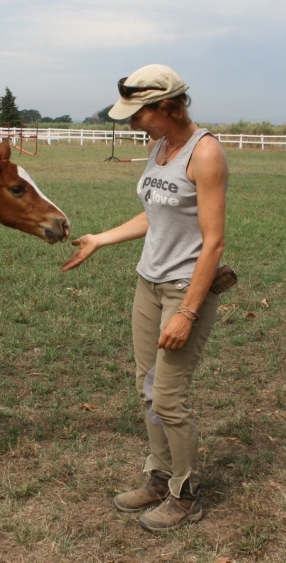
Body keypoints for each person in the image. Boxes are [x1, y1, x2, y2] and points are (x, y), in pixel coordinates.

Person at [62, 64, 229, 532]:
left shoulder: (206, 152)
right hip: (148, 284)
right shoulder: (159, 147)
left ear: (168, 107)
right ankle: (159, 477)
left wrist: (189, 312)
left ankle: (186, 494)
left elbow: (213, 242)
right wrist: (101, 238)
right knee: (146, 387)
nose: (133, 123)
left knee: (170, 396)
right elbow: (154, 216)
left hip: (184, 290)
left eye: (139, 114)